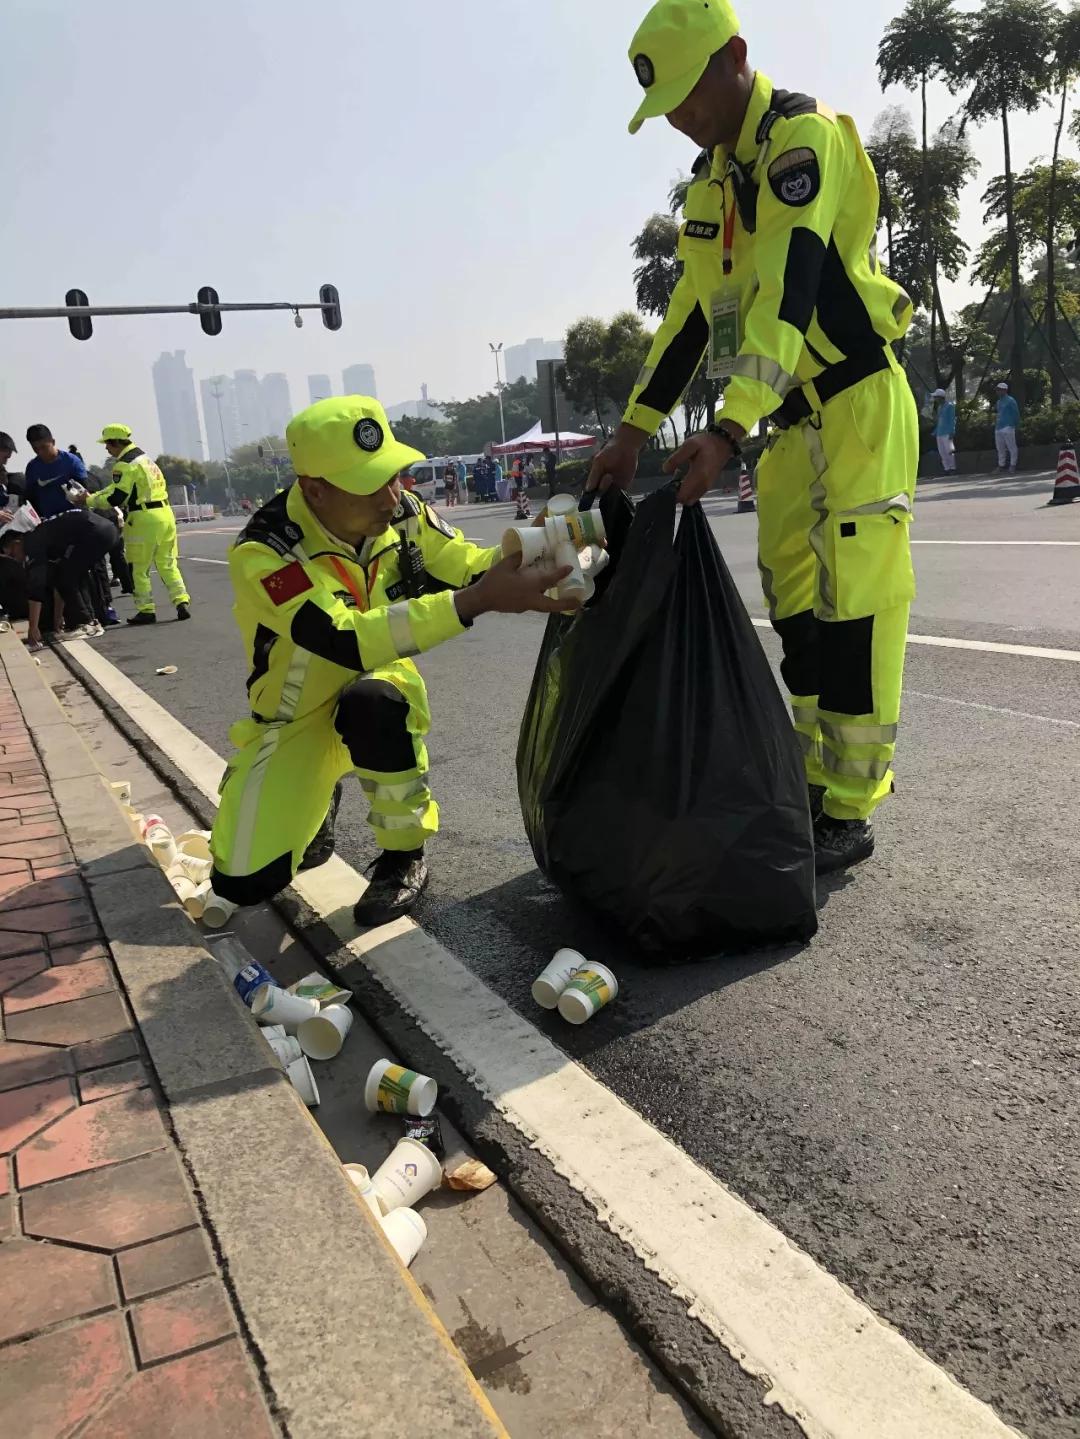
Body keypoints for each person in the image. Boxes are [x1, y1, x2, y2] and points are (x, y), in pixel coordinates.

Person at [588, 0, 917, 875]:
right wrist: (633, 428)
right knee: (794, 599)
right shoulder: (709, 182)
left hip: (855, 404)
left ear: (735, 55)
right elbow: (693, 315)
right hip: (788, 421)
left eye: (690, 99)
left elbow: (791, 285)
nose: (682, 123)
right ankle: (810, 774)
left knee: (856, 605)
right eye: (669, 115)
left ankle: (851, 799)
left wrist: (730, 427)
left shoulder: (802, 141)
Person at [207, 396, 575, 924]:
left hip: (377, 683)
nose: (392, 495)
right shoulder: (266, 552)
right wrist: (478, 601)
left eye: (394, 475)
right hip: (298, 714)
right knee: (242, 882)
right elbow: (339, 636)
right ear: (314, 490)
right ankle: (317, 791)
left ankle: (404, 856)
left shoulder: (403, 512)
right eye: (370, 484)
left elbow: (468, 565)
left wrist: (531, 546)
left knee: (374, 701)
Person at [89, 424, 191, 625]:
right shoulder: (145, 460)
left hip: (143, 518)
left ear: (117, 442)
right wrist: (96, 495)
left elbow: (117, 496)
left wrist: (90, 501)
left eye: (108, 444)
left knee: (138, 567)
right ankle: (181, 601)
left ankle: (146, 610)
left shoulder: (124, 465)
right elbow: (114, 487)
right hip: (165, 515)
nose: (107, 449)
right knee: (168, 564)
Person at [0, 507, 118, 648]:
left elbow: (36, 591)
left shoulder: (32, 543)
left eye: (13, 555)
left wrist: (33, 629)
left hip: (95, 532)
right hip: (105, 530)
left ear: (17, 543)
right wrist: (57, 622)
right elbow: (59, 585)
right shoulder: (44, 536)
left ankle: (86, 624)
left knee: (66, 575)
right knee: (70, 574)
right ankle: (90, 621)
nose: (16, 560)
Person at [23, 424, 84, 518]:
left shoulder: (71, 461)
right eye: (35, 449)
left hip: (75, 517)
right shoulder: (32, 467)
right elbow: (31, 498)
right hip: (49, 523)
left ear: (53, 442)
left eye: (44, 447)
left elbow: (85, 491)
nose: (40, 452)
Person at [994, 382, 1020, 472]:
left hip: (1008, 426)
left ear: (1005, 390)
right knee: (1000, 448)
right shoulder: (998, 402)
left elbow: (1016, 413)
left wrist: (1016, 424)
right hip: (999, 427)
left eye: (999, 390)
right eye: (997, 390)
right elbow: (998, 413)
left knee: (1011, 447)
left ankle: (1013, 465)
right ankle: (1001, 465)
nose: (997, 391)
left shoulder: (1011, 400)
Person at [931, 389, 956, 474]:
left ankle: (952, 468)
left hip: (947, 433)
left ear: (940, 397)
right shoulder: (939, 407)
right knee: (942, 452)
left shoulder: (950, 406)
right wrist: (935, 432)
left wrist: (952, 431)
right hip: (939, 433)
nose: (935, 399)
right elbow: (939, 421)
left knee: (949, 451)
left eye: (936, 397)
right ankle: (947, 469)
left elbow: (952, 420)